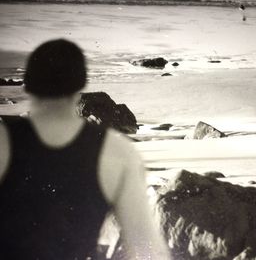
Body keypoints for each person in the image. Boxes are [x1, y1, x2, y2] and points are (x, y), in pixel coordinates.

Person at [0, 39, 171, 259]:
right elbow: (147, 247)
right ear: (80, 87)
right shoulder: (116, 150)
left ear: (27, 86)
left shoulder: (5, 141)